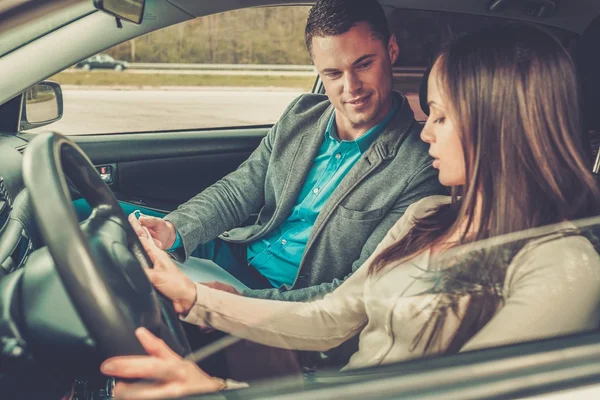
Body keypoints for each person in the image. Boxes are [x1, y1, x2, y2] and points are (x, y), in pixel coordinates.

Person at [103, 23, 600, 399]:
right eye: (331, 72)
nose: (427, 131)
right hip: (323, 372)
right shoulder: (429, 216)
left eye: (443, 117)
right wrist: (192, 296)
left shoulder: (564, 266)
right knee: (103, 216)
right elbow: (334, 315)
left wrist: (216, 390)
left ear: (498, 125)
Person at [128, 0, 444, 302]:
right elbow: (238, 193)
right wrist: (174, 228)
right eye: (333, 74)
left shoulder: (420, 164)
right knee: (103, 218)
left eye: (363, 64)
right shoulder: (301, 114)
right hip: (235, 251)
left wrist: (241, 303)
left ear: (391, 50)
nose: (351, 87)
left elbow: (355, 290)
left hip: (282, 297)